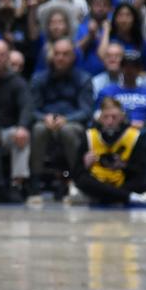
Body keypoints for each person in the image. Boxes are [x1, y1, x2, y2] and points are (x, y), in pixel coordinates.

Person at [29, 37, 94, 190]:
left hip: (73, 123)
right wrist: (44, 117)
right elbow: (32, 109)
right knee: (38, 129)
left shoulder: (84, 79)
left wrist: (67, 119)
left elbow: (87, 111)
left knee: (67, 130)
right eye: (57, 54)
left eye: (65, 54)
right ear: (52, 55)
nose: (60, 58)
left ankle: (78, 181)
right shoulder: (38, 78)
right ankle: (34, 183)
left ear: (73, 57)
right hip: (46, 122)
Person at [69, 97, 146, 207]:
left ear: (122, 117)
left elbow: (141, 170)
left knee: (145, 181)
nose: (109, 122)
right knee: (83, 180)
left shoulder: (134, 136)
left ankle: (105, 196)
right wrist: (85, 165)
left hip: (122, 181)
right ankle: (129, 197)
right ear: (99, 118)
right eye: (106, 117)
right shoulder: (89, 135)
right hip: (97, 180)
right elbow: (76, 172)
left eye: (114, 117)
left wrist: (123, 165)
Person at [0, 39, 33, 201]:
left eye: (2, 55)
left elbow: (27, 106)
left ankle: (17, 184)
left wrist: (22, 127)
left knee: (21, 136)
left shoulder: (17, 82)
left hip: (7, 132)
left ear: (8, 58)